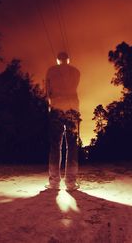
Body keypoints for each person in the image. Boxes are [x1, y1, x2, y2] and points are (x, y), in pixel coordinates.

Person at [45, 51, 81, 191]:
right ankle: (71, 183)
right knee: (72, 145)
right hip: (73, 109)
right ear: (68, 59)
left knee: (55, 145)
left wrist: (50, 107)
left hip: (57, 108)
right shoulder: (76, 71)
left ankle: (54, 183)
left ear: (58, 60)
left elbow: (47, 92)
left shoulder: (51, 70)